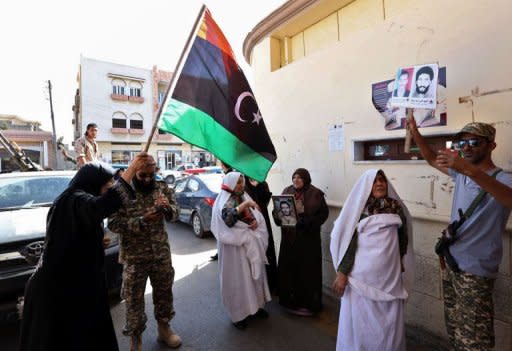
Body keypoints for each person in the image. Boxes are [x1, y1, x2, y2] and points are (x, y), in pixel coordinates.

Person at [19, 154, 149, 351]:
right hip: (58, 293)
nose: (109, 187)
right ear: (94, 182)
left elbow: (73, 236)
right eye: (107, 183)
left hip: (72, 286)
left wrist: (95, 243)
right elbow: (101, 206)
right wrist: (131, 170)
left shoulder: (73, 200)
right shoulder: (73, 200)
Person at [408, 118, 512, 350]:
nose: (466, 147)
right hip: (452, 263)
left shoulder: (503, 178)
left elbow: (508, 198)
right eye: (462, 143)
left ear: (491, 146)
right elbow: (432, 159)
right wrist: (415, 131)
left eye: (474, 142)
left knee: (474, 337)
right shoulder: (462, 175)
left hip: (476, 270)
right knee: (456, 328)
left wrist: (468, 169)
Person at [330, 169, 414, 351]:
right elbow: (348, 242)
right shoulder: (359, 210)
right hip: (361, 278)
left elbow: (403, 236)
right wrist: (343, 272)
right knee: (362, 322)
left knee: (388, 320)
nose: (379, 184)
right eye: (375, 181)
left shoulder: (396, 208)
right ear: (367, 186)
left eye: (382, 180)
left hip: (389, 278)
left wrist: (400, 259)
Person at [108, 155, 181, 351]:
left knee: (164, 293)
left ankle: (164, 329)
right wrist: (141, 220)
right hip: (134, 258)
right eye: (143, 175)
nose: (148, 179)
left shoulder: (162, 187)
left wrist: (167, 209)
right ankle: (135, 339)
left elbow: (175, 213)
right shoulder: (122, 191)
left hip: (161, 254)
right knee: (133, 300)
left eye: (152, 175)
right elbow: (113, 223)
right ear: (135, 171)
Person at [211, 172, 271, 330]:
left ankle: (256, 307)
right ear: (229, 183)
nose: (241, 185)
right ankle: (238, 315)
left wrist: (253, 221)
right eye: (237, 182)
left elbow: (253, 215)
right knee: (238, 281)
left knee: (253, 278)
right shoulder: (224, 199)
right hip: (234, 251)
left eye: (242, 182)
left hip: (248, 245)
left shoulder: (243, 195)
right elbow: (228, 220)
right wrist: (244, 206)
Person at [273, 168, 329, 316]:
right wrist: (278, 217)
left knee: (307, 273)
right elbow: (277, 210)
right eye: (294, 177)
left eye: (300, 177)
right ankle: (289, 302)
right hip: (289, 241)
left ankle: (309, 304)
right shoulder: (287, 190)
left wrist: (306, 222)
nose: (296, 180)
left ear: (306, 179)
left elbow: (323, 214)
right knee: (290, 271)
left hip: (307, 242)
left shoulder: (315, 193)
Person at [244, 175, 278, 294]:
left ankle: (272, 283)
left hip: (263, 217)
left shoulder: (262, 182)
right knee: (255, 251)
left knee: (267, 247)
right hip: (250, 220)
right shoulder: (242, 182)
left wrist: (258, 185)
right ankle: (257, 286)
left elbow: (266, 200)